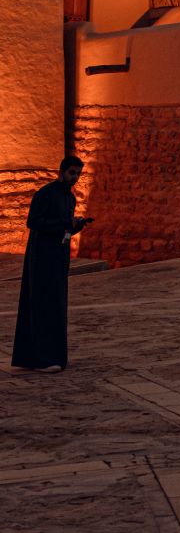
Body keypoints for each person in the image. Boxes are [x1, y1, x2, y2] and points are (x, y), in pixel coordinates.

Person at [10, 157, 91, 372]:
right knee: (42, 305)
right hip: (42, 257)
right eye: (72, 173)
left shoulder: (70, 198)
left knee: (56, 306)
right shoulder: (45, 194)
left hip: (58, 257)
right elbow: (34, 222)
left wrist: (76, 226)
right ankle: (42, 358)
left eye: (78, 174)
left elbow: (64, 229)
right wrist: (65, 223)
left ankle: (54, 356)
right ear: (62, 172)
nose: (75, 177)